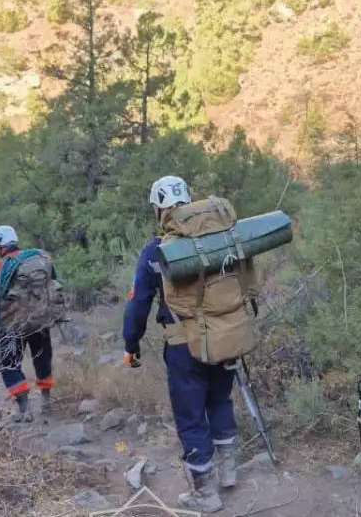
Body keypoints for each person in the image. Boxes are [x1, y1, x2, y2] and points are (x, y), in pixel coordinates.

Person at [123, 176, 237, 514]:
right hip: (225, 334)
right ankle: (229, 470)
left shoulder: (154, 251)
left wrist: (132, 343)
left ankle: (205, 492)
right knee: (219, 400)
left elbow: (138, 303)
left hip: (183, 345)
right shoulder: (217, 238)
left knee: (190, 416)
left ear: (159, 209)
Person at [0, 225, 55, 422]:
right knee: (42, 358)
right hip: (40, 320)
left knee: (9, 364)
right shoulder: (38, 258)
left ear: (0, 246)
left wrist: (2, 319)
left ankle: (25, 409)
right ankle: (46, 402)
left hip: (12, 323)